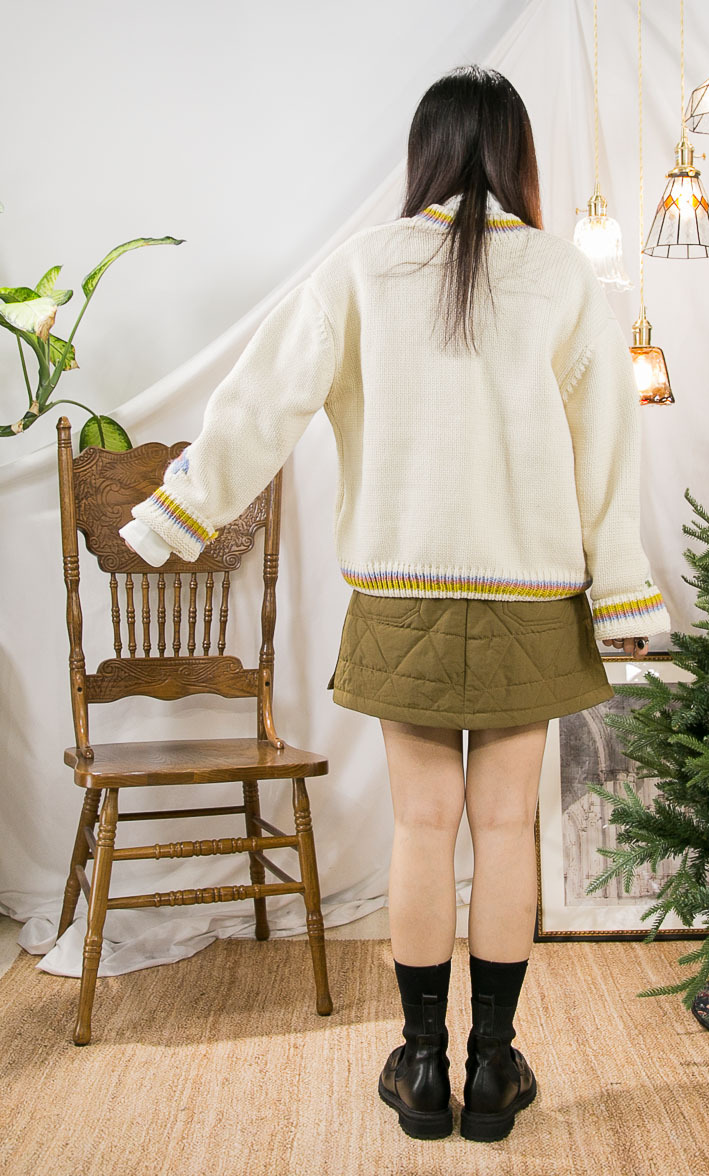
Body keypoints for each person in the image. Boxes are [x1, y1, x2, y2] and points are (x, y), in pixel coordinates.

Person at [120, 64, 670, 1143]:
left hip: (399, 597)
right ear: (516, 156)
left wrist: (178, 514)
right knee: (504, 828)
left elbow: (263, 399)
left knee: (422, 827)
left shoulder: (361, 268)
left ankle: (421, 1071)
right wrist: (621, 593)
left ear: (424, 154)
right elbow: (608, 447)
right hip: (529, 602)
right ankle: (492, 1070)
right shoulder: (561, 276)